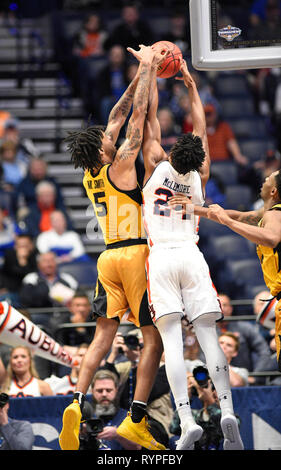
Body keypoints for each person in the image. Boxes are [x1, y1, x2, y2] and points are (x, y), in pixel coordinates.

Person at [128, 51, 243, 451]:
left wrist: (153, 75)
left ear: (173, 152)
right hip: (192, 256)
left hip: (160, 258)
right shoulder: (201, 173)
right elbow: (202, 128)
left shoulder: (156, 160)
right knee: (210, 338)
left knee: (172, 344)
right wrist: (192, 88)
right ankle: (227, 410)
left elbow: (149, 119)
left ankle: (187, 420)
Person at [59, 45, 166, 451]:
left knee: (102, 337)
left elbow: (117, 114)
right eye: (107, 139)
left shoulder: (90, 175)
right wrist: (152, 71)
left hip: (107, 257)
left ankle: (76, 400)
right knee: (151, 335)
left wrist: (140, 71)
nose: (111, 136)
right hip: (137, 253)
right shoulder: (119, 165)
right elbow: (135, 117)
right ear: (104, 150)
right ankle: (137, 416)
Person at [203, 169, 281, 375]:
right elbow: (235, 215)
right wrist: (191, 210)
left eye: (268, 179)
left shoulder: (276, 213)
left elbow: (271, 239)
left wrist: (228, 222)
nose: (263, 180)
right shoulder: (268, 215)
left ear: (273, 191)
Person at [80, 370, 140, 450]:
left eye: (108, 390)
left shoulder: (127, 417)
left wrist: (118, 435)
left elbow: (137, 447)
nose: (104, 394)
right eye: (99, 391)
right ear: (92, 391)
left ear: (116, 390)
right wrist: (82, 434)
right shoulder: (84, 417)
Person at [217, 293, 272, 380]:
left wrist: (256, 377)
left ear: (231, 309)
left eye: (225, 305)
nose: (221, 308)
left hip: (243, 380)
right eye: (218, 304)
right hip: (213, 378)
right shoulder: (206, 330)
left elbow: (264, 351)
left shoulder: (244, 327)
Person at [0, 233, 37, 307]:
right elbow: (11, 273)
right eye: (20, 246)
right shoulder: (10, 255)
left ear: (31, 246)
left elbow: (31, 275)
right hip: (12, 290)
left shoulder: (36, 256)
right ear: (15, 246)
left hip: (31, 293)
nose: (22, 249)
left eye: (25, 246)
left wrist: (23, 260)